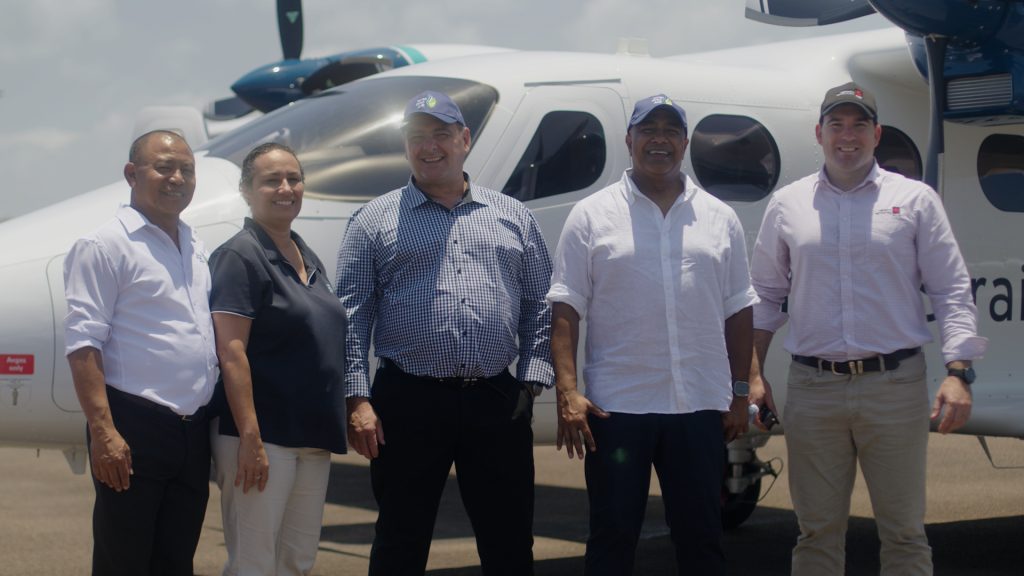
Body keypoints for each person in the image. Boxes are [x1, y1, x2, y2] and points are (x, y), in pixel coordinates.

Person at [749, 82, 987, 576]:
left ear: (878, 134)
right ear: (819, 133)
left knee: (904, 533)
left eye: (859, 124)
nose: (847, 136)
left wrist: (958, 371)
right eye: (836, 124)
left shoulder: (916, 201)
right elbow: (765, 296)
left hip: (894, 386)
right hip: (813, 390)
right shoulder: (787, 205)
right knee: (815, 534)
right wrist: (753, 375)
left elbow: (951, 289)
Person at [336, 90, 554, 575]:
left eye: (441, 135)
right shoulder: (371, 221)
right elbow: (351, 316)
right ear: (406, 146)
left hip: (497, 399)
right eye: (417, 137)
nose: (429, 147)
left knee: (510, 540)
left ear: (465, 140)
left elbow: (541, 302)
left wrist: (532, 381)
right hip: (407, 401)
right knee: (399, 539)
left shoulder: (513, 216)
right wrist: (357, 400)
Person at [548, 94, 758, 576]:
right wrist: (568, 391)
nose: (658, 140)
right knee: (612, 536)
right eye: (647, 130)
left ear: (684, 143)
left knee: (702, 538)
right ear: (629, 140)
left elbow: (738, 309)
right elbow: (567, 305)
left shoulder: (719, 217)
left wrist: (740, 392)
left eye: (670, 131)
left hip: (698, 405)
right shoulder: (591, 215)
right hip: (618, 407)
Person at [63, 130, 218, 576]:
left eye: (186, 170)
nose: (177, 178)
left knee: (176, 560)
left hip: (191, 431)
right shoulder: (103, 245)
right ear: (132, 174)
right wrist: (104, 432)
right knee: (123, 561)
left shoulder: (194, 245)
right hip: (132, 428)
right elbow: (83, 343)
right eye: (164, 167)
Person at [208, 143, 348, 575]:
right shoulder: (239, 255)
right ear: (247, 191)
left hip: (311, 435)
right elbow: (231, 352)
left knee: (297, 562)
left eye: (293, 178)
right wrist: (250, 438)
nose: (286, 188)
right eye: (272, 180)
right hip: (261, 437)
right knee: (254, 562)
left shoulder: (307, 255)